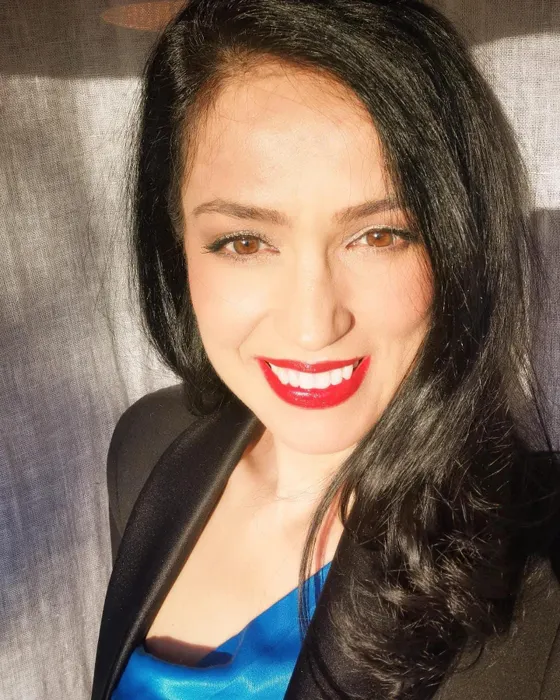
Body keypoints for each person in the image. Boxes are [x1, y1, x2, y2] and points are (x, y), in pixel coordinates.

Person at [91, 1, 560, 698]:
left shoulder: (536, 567)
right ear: (176, 244)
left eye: (379, 236)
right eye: (245, 242)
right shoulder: (149, 446)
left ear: (458, 243)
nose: (313, 326)